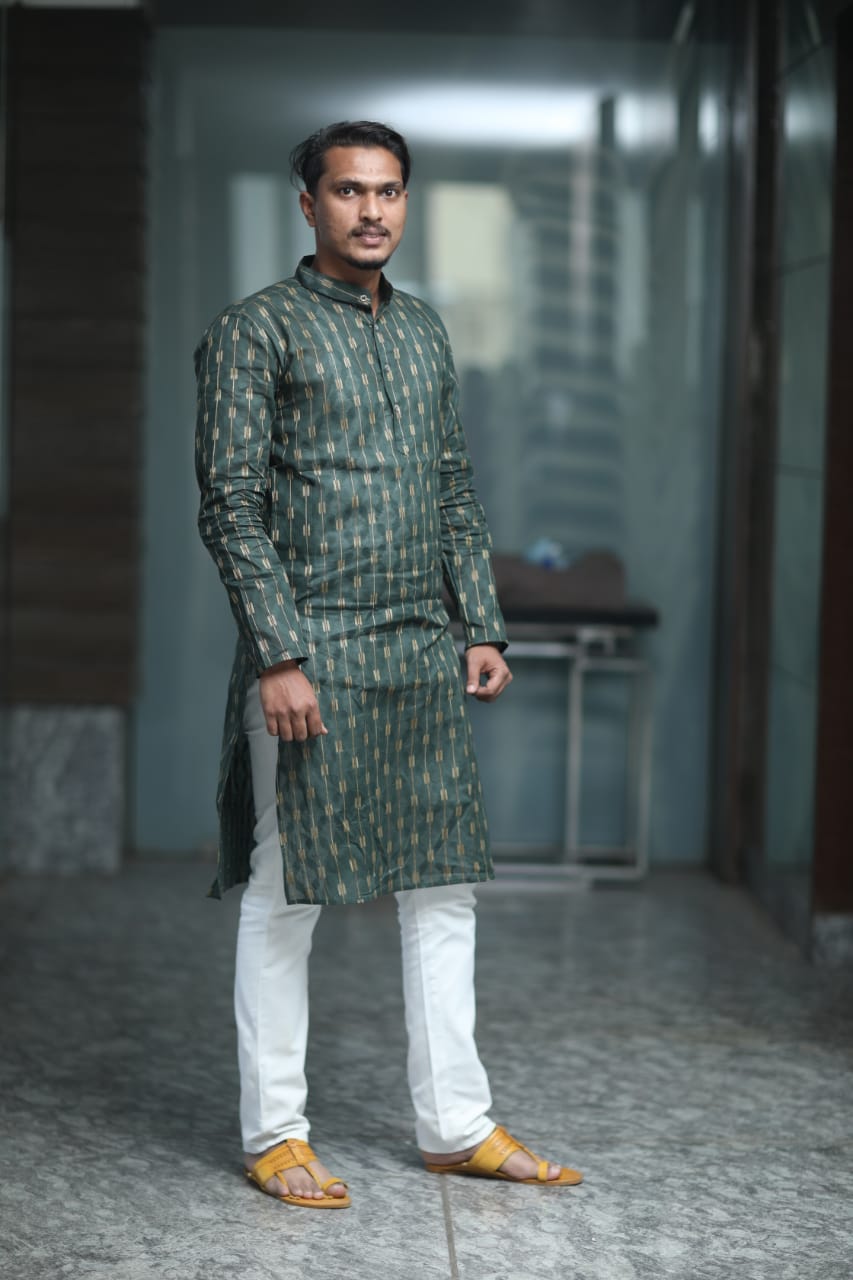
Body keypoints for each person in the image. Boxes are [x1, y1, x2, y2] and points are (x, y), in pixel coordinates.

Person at [194, 120, 583, 1209]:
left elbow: (453, 483)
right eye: (349, 191)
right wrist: (278, 655)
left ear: (406, 202)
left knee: (442, 887)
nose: (371, 211)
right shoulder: (255, 330)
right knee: (288, 891)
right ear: (308, 204)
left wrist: (480, 625)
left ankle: (455, 1124)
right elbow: (230, 507)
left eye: (389, 191)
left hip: (419, 644)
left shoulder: (421, 329)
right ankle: (275, 1133)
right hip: (312, 649)